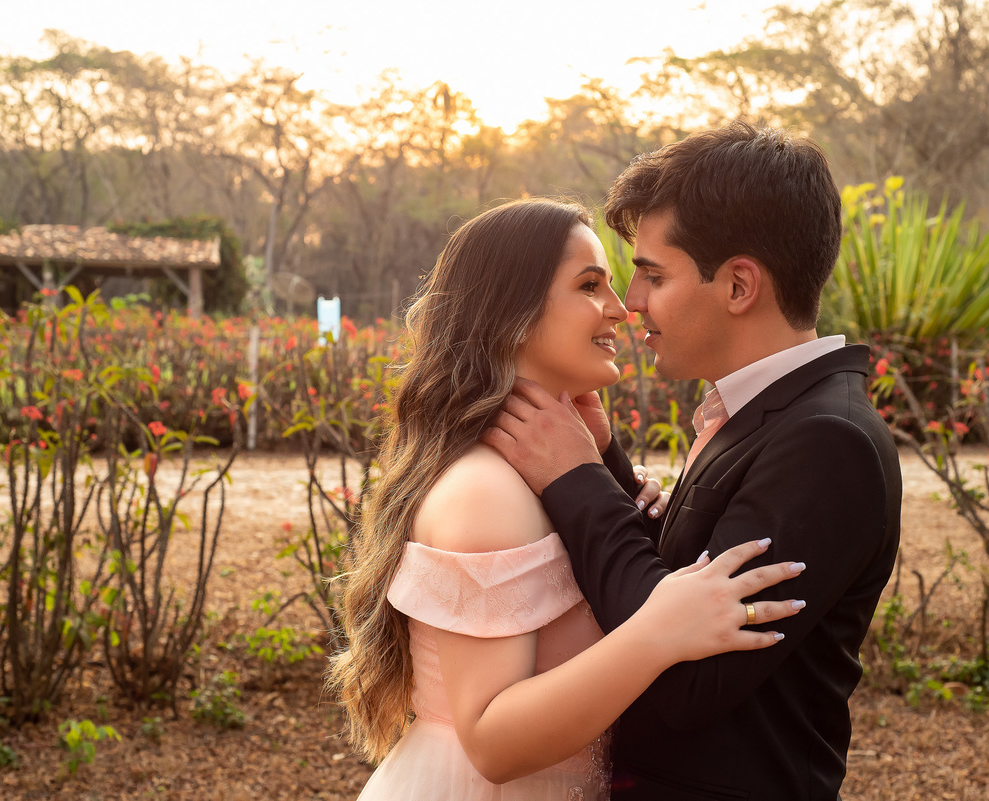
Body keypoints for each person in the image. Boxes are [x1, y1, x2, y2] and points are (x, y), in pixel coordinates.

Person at [326, 198, 808, 801]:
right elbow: (492, 744)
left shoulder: (541, 474)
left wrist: (616, 489)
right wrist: (658, 629)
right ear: (511, 313)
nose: (621, 308)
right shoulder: (485, 491)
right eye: (589, 285)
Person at [484, 123, 903, 800]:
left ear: (738, 286)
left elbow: (689, 677)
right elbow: (686, 585)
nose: (631, 304)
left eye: (653, 275)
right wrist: (608, 467)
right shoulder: (763, 413)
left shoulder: (830, 442)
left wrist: (575, 479)